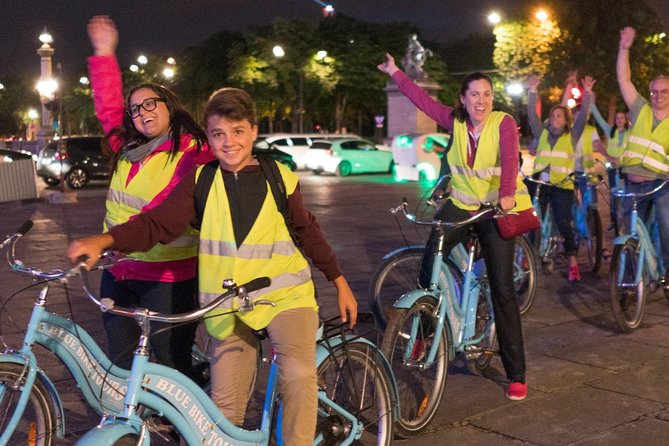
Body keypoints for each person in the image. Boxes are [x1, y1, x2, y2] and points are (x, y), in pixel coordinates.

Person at [68, 87, 358, 445]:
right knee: (223, 413)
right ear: (209, 136)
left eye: (238, 132)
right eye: (219, 134)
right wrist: (106, 240)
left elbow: (308, 230)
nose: (229, 142)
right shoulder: (202, 180)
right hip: (228, 305)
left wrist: (339, 280)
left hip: (286, 298)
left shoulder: (278, 176)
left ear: (253, 131)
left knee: (297, 374)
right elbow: (156, 223)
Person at [378, 53, 531, 400]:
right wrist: (396, 73)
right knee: (430, 263)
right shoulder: (455, 120)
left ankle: (517, 373)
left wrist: (507, 194)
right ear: (463, 99)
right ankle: (423, 334)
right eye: (475, 94)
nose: (482, 100)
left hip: (495, 210)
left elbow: (509, 159)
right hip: (461, 205)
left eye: (487, 94)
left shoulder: (503, 123)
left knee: (503, 291)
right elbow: (421, 99)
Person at [87, 16, 213, 380]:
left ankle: (188, 428)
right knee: (121, 363)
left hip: (169, 280)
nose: (142, 112)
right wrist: (104, 53)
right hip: (117, 272)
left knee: (173, 368)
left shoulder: (194, 152)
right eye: (136, 108)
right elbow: (108, 108)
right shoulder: (127, 148)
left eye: (150, 103)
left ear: (170, 104)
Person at [526, 74, 595, 282]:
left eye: (559, 116)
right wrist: (532, 91)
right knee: (529, 221)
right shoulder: (542, 133)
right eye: (553, 115)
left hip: (562, 186)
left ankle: (572, 259)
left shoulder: (572, 135)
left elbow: (583, 115)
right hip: (540, 184)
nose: (555, 119)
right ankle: (526, 256)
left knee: (563, 222)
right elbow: (531, 115)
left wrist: (588, 93)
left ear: (566, 121)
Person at [616, 26, 669, 283]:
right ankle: (628, 287)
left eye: (664, 91)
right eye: (655, 91)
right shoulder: (640, 109)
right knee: (630, 235)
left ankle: (668, 273)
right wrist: (624, 48)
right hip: (632, 183)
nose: (658, 96)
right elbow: (624, 80)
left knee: (667, 227)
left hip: (661, 184)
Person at [590, 98, 631, 234]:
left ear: (626, 120)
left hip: (626, 168)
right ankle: (614, 221)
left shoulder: (630, 133)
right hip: (613, 169)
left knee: (627, 195)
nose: (619, 120)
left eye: (621, 118)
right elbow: (599, 119)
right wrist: (590, 102)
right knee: (613, 196)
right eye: (617, 118)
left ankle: (627, 219)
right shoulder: (610, 131)